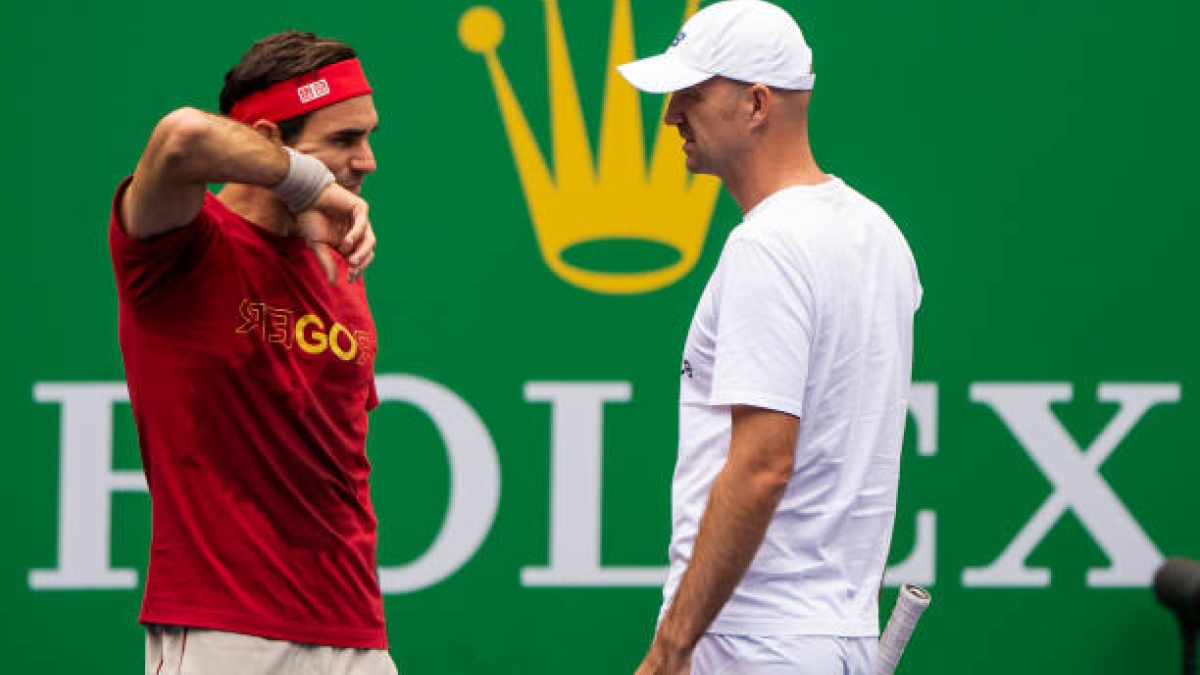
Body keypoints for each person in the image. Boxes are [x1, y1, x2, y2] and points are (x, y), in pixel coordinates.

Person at [617, 2, 922, 673]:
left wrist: (671, 648)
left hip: (754, 642)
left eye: (690, 95)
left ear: (756, 104)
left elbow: (761, 466)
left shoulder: (768, 245)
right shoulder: (881, 237)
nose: (670, 115)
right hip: (835, 638)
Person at [108, 31, 397, 675]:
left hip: (355, 633)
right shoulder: (179, 247)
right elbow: (182, 137)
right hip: (225, 633)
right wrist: (309, 185)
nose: (367, 160)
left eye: (368, 136)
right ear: (270, 144)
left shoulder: (338, 265)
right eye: (344, 140)